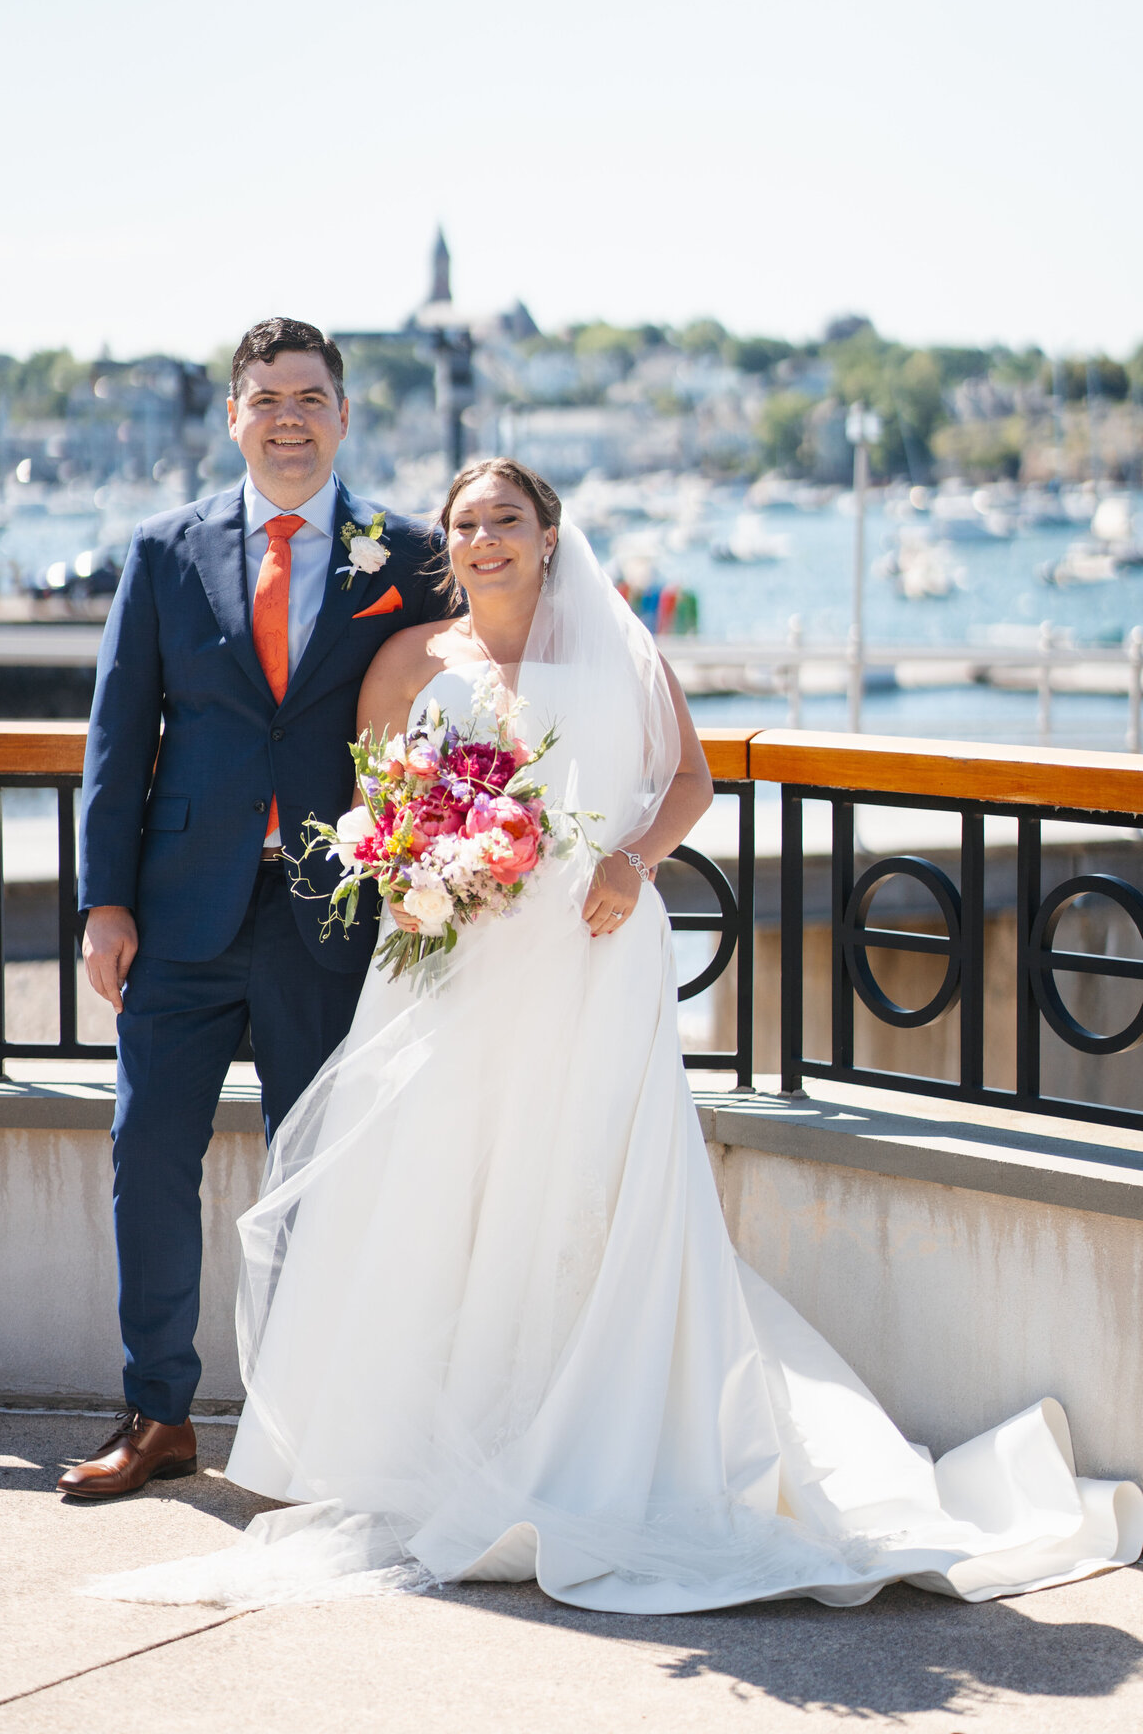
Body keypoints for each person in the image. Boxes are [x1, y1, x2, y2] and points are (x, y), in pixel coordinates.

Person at [91, 458, 1143, 1611]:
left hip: (589, 957)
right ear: (445, 545)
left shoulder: (619, 650)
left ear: (549, 536)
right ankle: (430, 1443)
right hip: (448, 963)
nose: (486, 538)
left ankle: (581, 1438)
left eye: (507, 520)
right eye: (466, 523)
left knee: (579, 1187)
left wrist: (633, 864)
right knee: (447, 1191)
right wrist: (409, 871)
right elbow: (370, 806)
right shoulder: (406, 661)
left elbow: (687, 776)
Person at [60, 318, 452, 1501]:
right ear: (233, 417)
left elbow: (452, 720)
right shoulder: (164, 554)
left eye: (311, 396)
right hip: (179, 915)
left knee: (321, 1169)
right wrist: (106, 904)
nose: (289, 416)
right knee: (148, 1158)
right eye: (267, 397)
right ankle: (157, 1412)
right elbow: (119, 741)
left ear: (344, 415)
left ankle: (311, 1422)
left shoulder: (411, 554)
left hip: (332, 917)